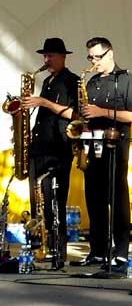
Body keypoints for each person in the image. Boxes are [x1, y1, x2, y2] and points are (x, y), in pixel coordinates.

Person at [69, 37, 132, 271]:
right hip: (91, 143)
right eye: (90, 57)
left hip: (115, 145)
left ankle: (120, 251)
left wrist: (101, 111)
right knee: (94, 198)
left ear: (111, 54)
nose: (93, 62)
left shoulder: (127, 80)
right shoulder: (90, 82)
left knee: (117, 198)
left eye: (97, 57)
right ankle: (98, 251)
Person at [21, 38, 78, 270]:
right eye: (44, 56)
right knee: (37, 201)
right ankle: (39, 248)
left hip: (58, 148)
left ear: (63, 56)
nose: (46, 60)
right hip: (39, 147)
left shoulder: (72, 81)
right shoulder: (46, 80)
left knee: (54, 201)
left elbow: (75, 115)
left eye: (51, 56)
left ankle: (57, 251)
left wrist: (43, 102)